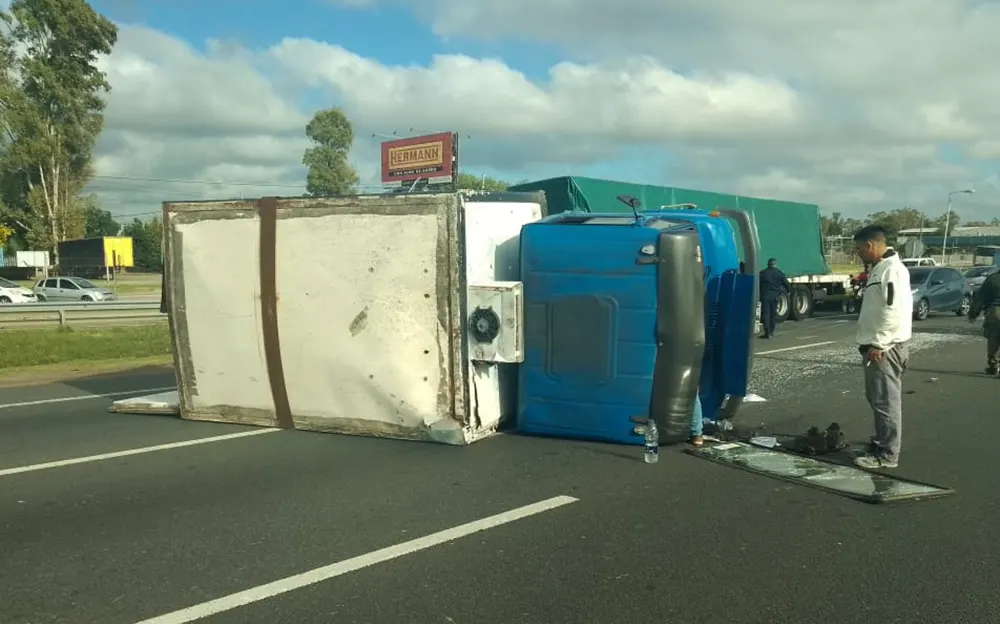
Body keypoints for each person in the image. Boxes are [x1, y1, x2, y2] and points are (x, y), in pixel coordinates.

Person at [852, 225, 912, 470]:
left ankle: (887, 454)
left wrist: (879, 343)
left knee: (886, 401)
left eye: (858, 249)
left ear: (870, 245)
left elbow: (892, 310)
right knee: (878, 398)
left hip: (885, 348)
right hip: (879, 346)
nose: (857, 254)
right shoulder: (881, 268)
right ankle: (881, 443)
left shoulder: (891, 271)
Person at [967, 268, 1000, 375]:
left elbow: (980, 297)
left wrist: (973, 313)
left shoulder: (992, 279)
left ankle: (993, 364)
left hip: (994, 311)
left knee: (993, 338)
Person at [758, 258, 790, 338]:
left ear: (768, 264)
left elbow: (758, 284)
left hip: (765, 296)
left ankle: (767, 333)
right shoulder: (779, 273)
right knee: (773, 315)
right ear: (775, 264)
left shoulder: (763, 273)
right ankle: (771, 332)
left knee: (766, 314)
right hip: (775, 296)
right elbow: (787, 284)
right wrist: (788, 291)